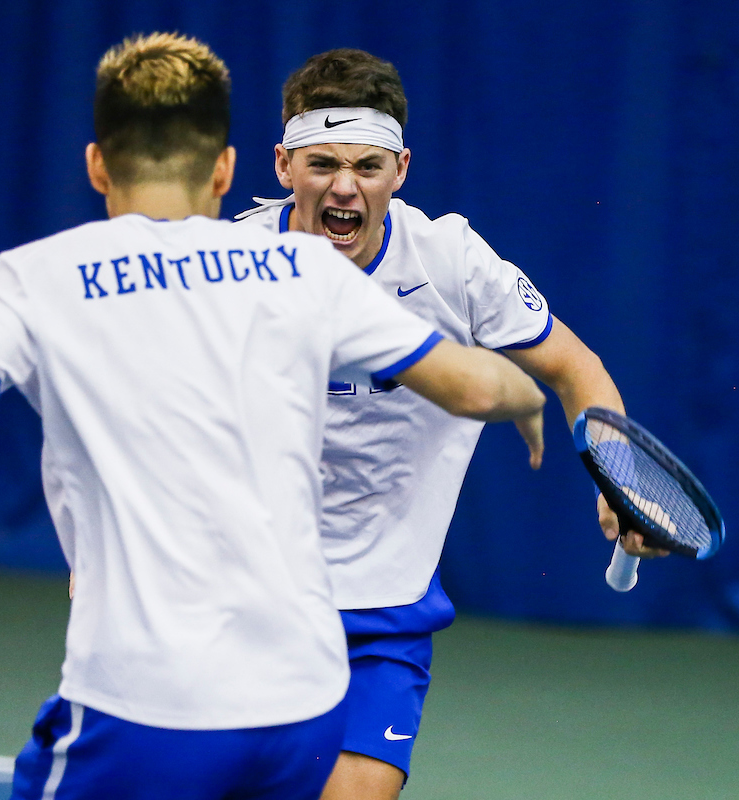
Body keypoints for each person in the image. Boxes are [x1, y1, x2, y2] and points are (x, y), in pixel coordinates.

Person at [0, 34, 547, 800]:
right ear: (226, 169)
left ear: (95, 165)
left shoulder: (36, 277)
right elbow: (479, 388)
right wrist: (531, 400)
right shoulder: (302, 269)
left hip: (141, 704)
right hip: (300, 709)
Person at [235, 49, 667, 800]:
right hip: (246, 595)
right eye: (323, 164)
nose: (344, 186)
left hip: (385, 607)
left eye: (367, 166)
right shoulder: (228, 265)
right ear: (282, 164)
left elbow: (574, 367)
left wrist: (619, 479)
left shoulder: (454, 263)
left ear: (400, 170)